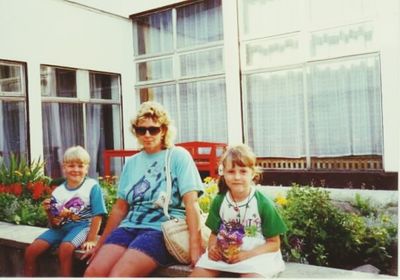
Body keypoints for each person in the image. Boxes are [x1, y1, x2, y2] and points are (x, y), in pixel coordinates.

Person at [83, 101, 205, 277]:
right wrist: (100, 243)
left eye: (153, 129)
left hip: (161, 230)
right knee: (93, 272)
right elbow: (120, 207)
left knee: (119, 275)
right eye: (142, 130)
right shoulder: (131, 163)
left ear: (163, 130)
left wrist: (195, 246)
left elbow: (191, 203)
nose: (147, 134)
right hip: (129, 227)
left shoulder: (178, 156)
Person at [190, 144, 288, 278]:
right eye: (231, 171)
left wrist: (247, 255)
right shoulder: (220, 201)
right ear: (223, 173)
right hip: (225, 254)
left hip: (256, 255)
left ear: (253, 173)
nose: (237, 177)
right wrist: (213, 248)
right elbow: (214, 233)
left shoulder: (263, 203)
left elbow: (274, 243)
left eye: (243, 171)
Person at [24, 145, 107, 277]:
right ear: (64, 167)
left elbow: (98, 215)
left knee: (65, 248)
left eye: (80, 166)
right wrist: (49, 212)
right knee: (31, 251)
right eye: (71, 165)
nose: (75, 169)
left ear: (87, 168)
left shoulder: (92, 186)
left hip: (83, 226)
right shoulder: (58, 191)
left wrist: (91, 240)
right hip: (61, 228)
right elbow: (55, 224)